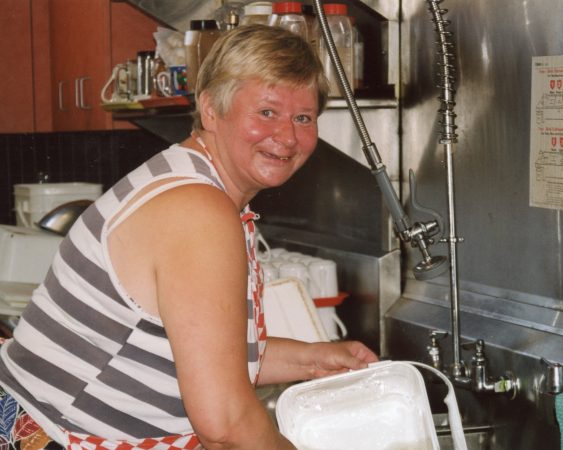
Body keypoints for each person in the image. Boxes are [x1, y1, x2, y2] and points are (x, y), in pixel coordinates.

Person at [0, 24, 378, 450]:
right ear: (211, 108)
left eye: (303, 117)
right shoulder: (198, 211)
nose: (288, 136)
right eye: (267, 112)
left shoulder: (186, 180)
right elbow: (225, 424)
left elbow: (198, 348)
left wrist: (313, 359)